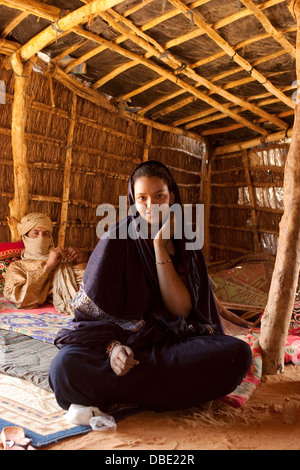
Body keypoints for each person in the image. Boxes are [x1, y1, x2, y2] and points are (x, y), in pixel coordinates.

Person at [49, 161, 252, 415]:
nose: (151, 206)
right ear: (133, 200)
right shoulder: (115, 239)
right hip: (126, 348)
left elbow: (181, 310)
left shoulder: (185, 242)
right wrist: (113, 349)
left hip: (174, 344)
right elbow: (87, 321)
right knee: (64, 367)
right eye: (142, 198)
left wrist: (158, 246)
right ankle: (158, 394)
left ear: (172, 197)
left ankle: (122, 394)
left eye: (159, 196)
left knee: (237, 354)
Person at [4, 213, 87, 315]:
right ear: (25, 236)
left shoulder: (61, 258)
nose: (41, 237)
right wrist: (47, 267)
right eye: (36, 233)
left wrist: (79, 262)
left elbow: (86, 281)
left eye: (46, 233)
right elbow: (21, 299)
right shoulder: (17, 267)